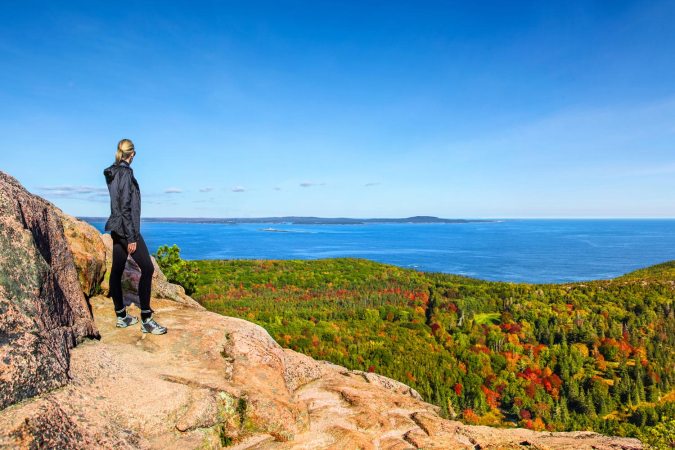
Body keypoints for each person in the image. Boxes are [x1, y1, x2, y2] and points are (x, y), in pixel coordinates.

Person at [103, 138, 167, 334]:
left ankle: (121, 316)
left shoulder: (112, 173)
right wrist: (131, 238)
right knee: (147, 269)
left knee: (117, 269)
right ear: (132, 154)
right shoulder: (125, 173)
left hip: (116, 227)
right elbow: (125, 208)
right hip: (126, 230)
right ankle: (146, 319)